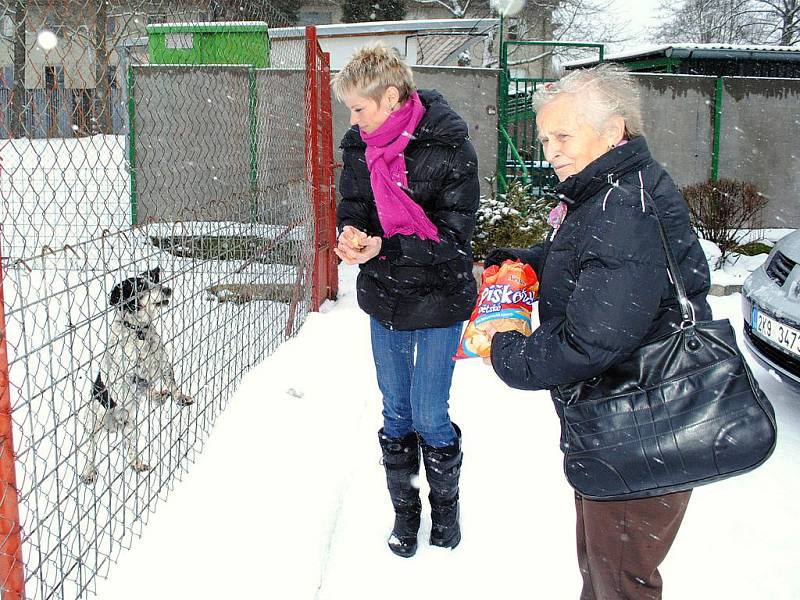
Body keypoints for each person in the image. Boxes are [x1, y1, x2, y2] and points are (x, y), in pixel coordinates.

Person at [483, 64, 712, 599]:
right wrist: (533, 262)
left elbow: (590, 342)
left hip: (641, 432)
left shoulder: (621, 207)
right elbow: (599, 269)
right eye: (545, 138)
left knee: (620, 582)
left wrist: (508, 350)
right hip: (626, 424)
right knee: (602, 569)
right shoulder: (609, 191)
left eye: (564, 136)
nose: (551, 151)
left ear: (613, 132)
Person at [331, 43, 480, 558]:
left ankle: (446, 511)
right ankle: (405, 513)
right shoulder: (359, 147)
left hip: (439, 297)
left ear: (391, 97)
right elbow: (353, 206)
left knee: (428, 415)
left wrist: (384, 246)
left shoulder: (448, 143)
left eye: (359, 108)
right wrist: (351, 235)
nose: (351, 119)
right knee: (396, 413)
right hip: (385, 298)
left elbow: (455, 237)